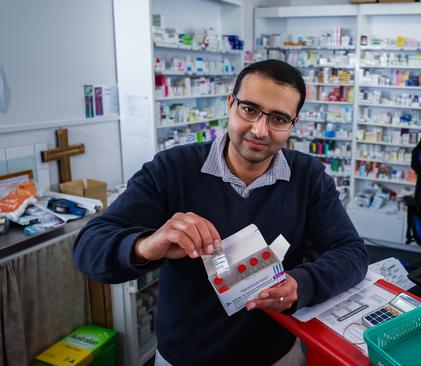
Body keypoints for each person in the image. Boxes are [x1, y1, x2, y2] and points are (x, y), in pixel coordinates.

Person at [72, 60, 368, 365]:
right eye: (249, 109)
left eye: (278, 118)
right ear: (230, 104)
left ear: (293, 124)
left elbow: (352, 252)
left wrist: (301, 285)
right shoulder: (172, 169)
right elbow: (88, 248)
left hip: (276, 355)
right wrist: (146, 245)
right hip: (185, 357)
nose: (260, 130)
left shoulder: (308, 176)